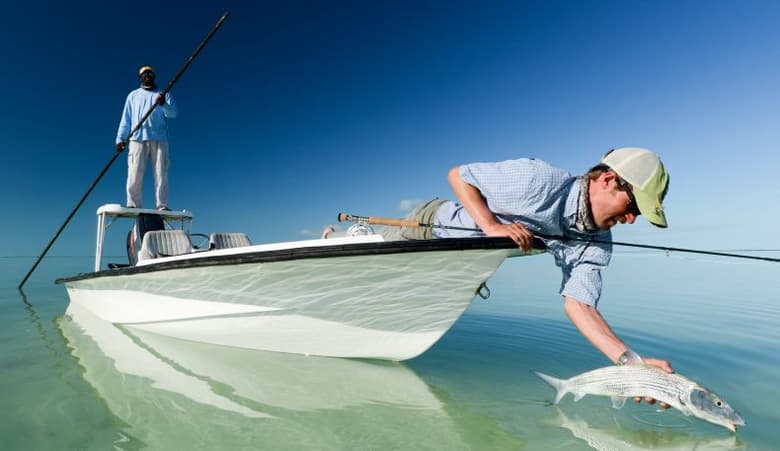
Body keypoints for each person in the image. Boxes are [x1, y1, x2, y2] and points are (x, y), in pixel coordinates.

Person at [384, 147, 672, 406]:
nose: (632, 219)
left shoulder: (596, 241)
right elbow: (459, 175)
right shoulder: (538, 181)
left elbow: (580, 304)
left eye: (639, 214)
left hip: (454, 264)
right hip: (427, 229)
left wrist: (631, 364)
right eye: (633, 206)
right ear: (608, 180)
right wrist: (491, 226)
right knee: (372, 245)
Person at [116, 65, 178, 210]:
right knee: (134, 172)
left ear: (154, 76)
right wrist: (120, 139)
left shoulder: (163, 94)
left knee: (161, 173)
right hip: (137, 138)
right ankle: (133, 204)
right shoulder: (132, 95)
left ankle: (161, 205)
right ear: (140, 77)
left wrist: (163, 104)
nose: (147, 75)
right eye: (144, 73)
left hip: (160, 138)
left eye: (150, 73)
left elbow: (173, 113)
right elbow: (126, 120)